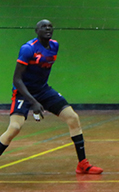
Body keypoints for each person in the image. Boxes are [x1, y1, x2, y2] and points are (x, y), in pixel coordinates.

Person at [0, 20, 102, 174]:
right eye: (43, 27)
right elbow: (17, 80)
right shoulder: (28, 49)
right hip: (23, 92)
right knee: (14, 127)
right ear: (36, 30)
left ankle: (83, 164)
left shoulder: (55, 46)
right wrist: (33, 102)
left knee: (73, 118)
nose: (47, 29)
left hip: (43, 90)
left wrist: (41, 97)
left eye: (50, 27)